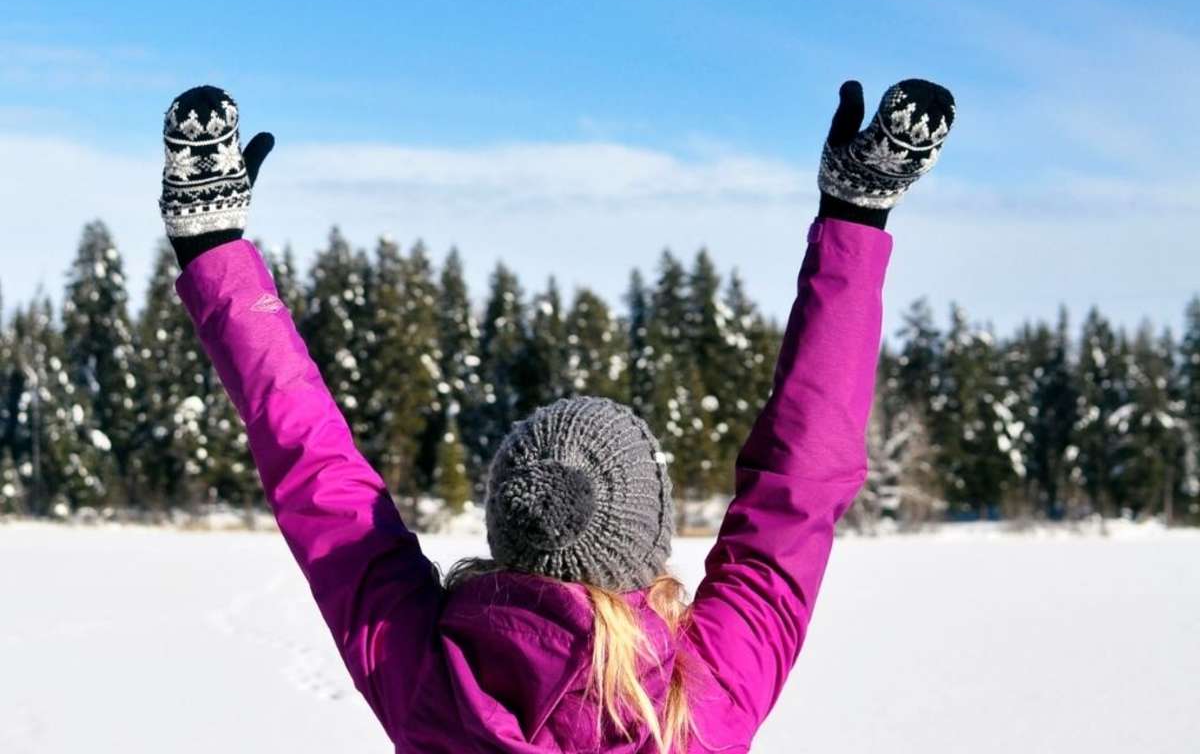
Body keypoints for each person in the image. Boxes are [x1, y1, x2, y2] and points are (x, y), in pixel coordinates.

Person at [160, 78, 954, 753]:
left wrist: (214, 249)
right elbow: (799, 489)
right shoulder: (696, 706)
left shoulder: (435, 683)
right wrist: (854, 219)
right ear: (649, 537)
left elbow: (320, 481)